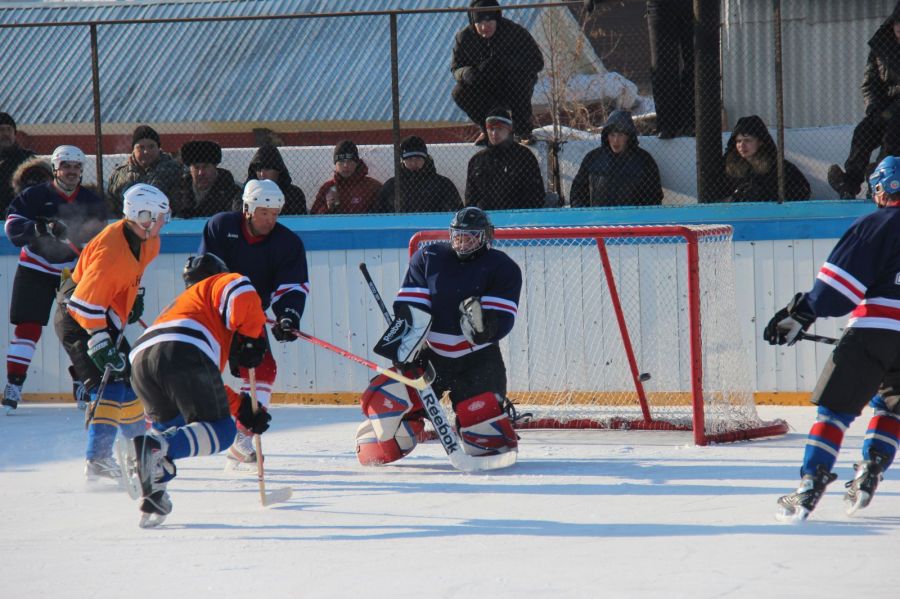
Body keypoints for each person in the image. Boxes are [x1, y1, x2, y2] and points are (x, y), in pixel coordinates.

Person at [764, 155, 900, 522]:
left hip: (873, 332)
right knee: (892, 408)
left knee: (834, 412)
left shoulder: (877, 224)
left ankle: (810, 485)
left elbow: (837, 290)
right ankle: (870, 472)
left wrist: (802, 312)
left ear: (884, 187)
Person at [357, 206, 521, 465]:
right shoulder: (429, 257)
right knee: (384, 403)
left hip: (478, 361)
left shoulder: (502, 267)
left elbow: (503, 319)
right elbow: (412, 308)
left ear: (486, 237)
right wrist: (403, 344)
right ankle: (396, 439)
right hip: (432, 356)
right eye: (458, 235)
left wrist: (485, 327)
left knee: (487, 438)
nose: (463, 241)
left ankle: (489, 425)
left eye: (471, 236)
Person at [127, 253, 271, 525]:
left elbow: (202, 385)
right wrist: (252, 338)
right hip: (182, 349)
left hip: (141, 361)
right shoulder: (218, 283)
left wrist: (241, 408)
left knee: (173, 429)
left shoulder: (184, 306)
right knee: (222, 431)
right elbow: (240, 287)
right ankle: (155, 446)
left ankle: (154, 492)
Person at [54, 183, 169, 480]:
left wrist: (134, 296)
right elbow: (82, 304)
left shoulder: (149, 241)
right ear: (141, 216)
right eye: (159, 217)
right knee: (110, 384)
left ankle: (137, 450)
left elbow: (133, 274)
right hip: (77, 316)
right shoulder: (110, 252)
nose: (163, 222)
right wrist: (100, 342)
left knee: (129, 380)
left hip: (99, 312)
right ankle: (98, 459)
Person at [199, 179, 309, 463]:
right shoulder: (221, 226)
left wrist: (288, 315)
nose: (270, 220)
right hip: (211, 313)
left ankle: (242, 435)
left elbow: (292, 286)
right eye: (264, 213)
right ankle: (154, 427)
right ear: (247, 208)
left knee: (264, 368)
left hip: (249, 316)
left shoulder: (287, 243)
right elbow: (204, 273)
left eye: (275, 214)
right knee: (195, 372)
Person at [2, 145, 107, 414]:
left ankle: (82, 381)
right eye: (65, 166)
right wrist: (38, 228)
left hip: (72, 274)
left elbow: (100, 241)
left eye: (76, 167)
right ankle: (14, 384)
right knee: (28, 326)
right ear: (55, 169)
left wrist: (82, 244)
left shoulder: (92, 202)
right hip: (35, 267)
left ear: (81, 170)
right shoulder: (34, 196)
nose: (71, 171)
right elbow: (12, 226)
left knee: (78, 330)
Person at [828, 4, 900, 199]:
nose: (899, 28)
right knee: (863, 132)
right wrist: (873, 109)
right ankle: (849, 183)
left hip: (896, 113)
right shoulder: (881, 48)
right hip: (883, 109)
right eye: (897, 23)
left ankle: (881, 180)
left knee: (892, 135)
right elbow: (869, 84)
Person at [451, 0, 544, 144]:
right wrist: (466, 73)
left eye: (488, 21)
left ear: (496, 18)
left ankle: (523, 132)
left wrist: (504, 64)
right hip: (485, 89)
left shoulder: (514, 32)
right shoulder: (464, 38)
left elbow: (537, 61)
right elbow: (456, 68)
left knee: (519, 80)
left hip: (513, 87)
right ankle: (488, 130)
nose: (484, 27)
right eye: (479, 22)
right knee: (459, 92)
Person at [569, 110, 664, 207]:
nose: (616, 140)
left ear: (628, 136)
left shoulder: (644, 160)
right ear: (606, 136)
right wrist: (584, 212)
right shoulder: (593, 158)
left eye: (620, 135)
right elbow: (578, 190)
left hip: (632, 215)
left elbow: (654, 195)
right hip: (599, 215)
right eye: (612, 135)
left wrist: (641, 213)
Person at [464, 106, 545, 209]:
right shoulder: (477, 161)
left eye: (499, 128)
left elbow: (536, 196)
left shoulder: (524, 157)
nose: (494, 133)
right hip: (486, 217)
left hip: (517, 216)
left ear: (509, 129)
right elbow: (470, 200)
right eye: (491, 129)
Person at [715, 115, 810, 203]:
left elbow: (803, 191)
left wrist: (767, 196)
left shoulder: (778, 167)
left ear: (760, 142)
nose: (742, 145)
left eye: (747, 140)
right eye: (738, 141)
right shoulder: (729, 166)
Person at [107, 125, 183, 217]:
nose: (146, 151)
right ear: (133, 150)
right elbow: (111, 204)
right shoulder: (120, 174)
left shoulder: (174, 170)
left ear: (158, 148)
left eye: (151, 146)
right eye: (141, 147)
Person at [375, 136, 462, 213]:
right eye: (409, 159)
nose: (413, 163)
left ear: (425, 159)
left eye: (418, 158)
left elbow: (456, 213)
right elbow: (378, 214)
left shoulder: (443, 184)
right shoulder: (391, 186)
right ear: (402, 161)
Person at [309, 140, 382, 215]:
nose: (345, 165)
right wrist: (328, 208)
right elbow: (313, 217)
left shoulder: (372, 187)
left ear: (356, 163)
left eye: (349, 161)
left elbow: (383, 214)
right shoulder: (327, 188)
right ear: (335, 163)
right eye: (341, 161)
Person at [173, 140, 241, 218]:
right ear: (190, 169)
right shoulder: (178, 191)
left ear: (215, 167)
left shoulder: (232, 193)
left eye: (206, 167)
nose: (201, 173)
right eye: (196, 167)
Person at [237, 143, 307, 215]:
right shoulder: (245, 195)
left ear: (278, 170)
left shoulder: (294, 194)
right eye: (258, 169)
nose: (262, 174)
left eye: (267, 169)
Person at [0, 112, 36, 217]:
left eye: (9, 130)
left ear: (14, 134)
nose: (6, 134)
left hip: (19, 213)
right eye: (1, 130)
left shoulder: (28, 158)